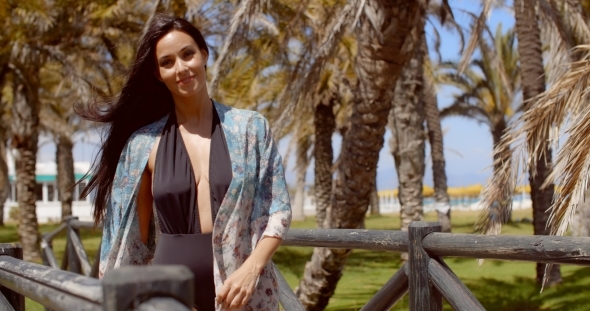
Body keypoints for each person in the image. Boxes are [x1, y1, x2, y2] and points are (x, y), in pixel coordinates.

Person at [77, 13, 292, 311]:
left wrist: (252, 269)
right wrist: (143, 298)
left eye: (187, 54)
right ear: (158, 74)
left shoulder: (250, 129)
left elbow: (277, 210)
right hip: (170, 296)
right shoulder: (143, 144)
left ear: (204, 54)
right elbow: (135, 243)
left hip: (240, 293)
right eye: (167, 62)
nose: (181, 68)